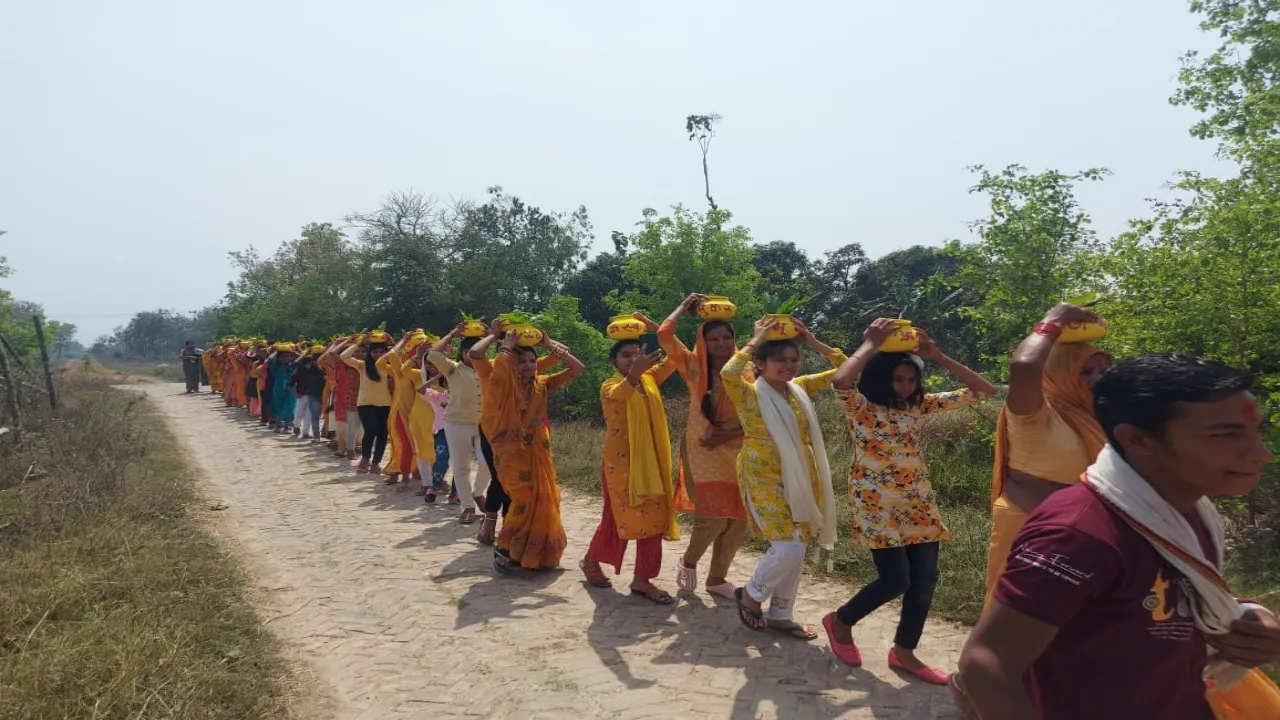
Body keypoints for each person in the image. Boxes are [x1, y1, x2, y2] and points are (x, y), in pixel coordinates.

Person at [956, 354, 1280, 719]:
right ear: (1137, 439)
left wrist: (1247, 617)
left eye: (1254, 431)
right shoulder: (1077, 534)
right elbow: (987, 663)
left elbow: (1164, 596)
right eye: (1224, 435)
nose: (1261, 453)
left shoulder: (1185, 512)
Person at [822, 318, 996, 683]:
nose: (904, 386)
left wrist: (938, 356)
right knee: (895, 579)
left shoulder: (918, 406)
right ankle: (840, 620)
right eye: (896, 379)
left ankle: (904, 651)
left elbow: (984, 390)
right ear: (879, 378)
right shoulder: (861, 407)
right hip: (876, 503)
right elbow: (841, 380)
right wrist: (870, 343)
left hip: (917, 501)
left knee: (925, 578)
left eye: (910, 379)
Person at [722, 316, 844, 639]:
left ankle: (781, 614)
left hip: (800, 475)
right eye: (780, 360)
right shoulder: (747, 394)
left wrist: (814, 342)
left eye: (794, 359)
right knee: (788, 546)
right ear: (760, 364)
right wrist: (756, 338)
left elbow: (847, 371)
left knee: (798, 546)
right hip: (762, 475)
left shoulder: (800, 389)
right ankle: (751, 594)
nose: (789, 366)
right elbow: (728, 373)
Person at [984, 303, 1111, 603]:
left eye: (1104, 370)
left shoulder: (1100, 415)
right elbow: (1024, 368)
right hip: (1030, 526)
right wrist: (1053, 321)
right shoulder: (1034, 413)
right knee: (1016, 617)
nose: (1099, 378)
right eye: (1086, 371)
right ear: (1057, 372)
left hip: (1085, 532)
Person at [470, 322, 583, 573]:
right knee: (520, 496)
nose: (530, 365)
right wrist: (497, 338)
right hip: (505, 443)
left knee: (542, 497)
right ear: (510, 362)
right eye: (522, 362)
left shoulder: (541, 382)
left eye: (533, 361)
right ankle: (504, 544)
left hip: (536, 445)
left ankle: (527, 551)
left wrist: (547, 343)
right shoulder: (498, 377)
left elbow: (576, 368)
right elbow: (475, 354)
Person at [581, 315, 680, 604]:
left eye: (638, 354)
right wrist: (635, 372)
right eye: (626, 355)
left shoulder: (651, 379)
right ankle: (591, 560)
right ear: (614, 361)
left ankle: (642, 580)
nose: (633, 359)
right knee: (617, 519)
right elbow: (621, 393)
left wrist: (656, 327)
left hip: (652, 463)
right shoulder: (609, 386)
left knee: (655, 521)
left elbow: (676, 355)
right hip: (621, 467)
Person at [658, 293, 750, 600]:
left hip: (740, 449)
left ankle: (717, 579)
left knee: (737, 520)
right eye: (714, 339)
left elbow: (759, 413)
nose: (721, 343)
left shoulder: (748, 370)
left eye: (727, 337)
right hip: (702, 451)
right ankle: (689, 561)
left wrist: (730, 434)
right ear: (703, 342)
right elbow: (664, 335)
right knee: (712, 517)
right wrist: (684, 306)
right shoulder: (693, 366)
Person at [339, 333, 393, 473]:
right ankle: (365, 459)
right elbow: (344, 356)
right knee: (370, 430)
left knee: (382, 433)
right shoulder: (362, 365)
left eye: (381, 352)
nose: (378, 354)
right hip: (365, 403)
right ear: (370, 353)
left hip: (385, 403)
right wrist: (359, 343)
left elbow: (400, 355)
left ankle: (376, 463)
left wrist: (392, 343)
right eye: (375, 352)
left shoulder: (388, 366)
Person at [416, 347, 455, 504]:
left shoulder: (465, 397)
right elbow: (420, 390)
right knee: (441, 460)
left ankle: (455, 493)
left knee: (460, 464)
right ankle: (434, 487)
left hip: (460, 431)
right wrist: (437, 376)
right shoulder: (438, 396)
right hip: (442, 432)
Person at [320, 338, 362, 460]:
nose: (359, 354)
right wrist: (346, 341)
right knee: (342, 426)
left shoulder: (365, 365)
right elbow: (331, 353)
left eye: (363, 351)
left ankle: (352, 448)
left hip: (360, 398)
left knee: (356, 426)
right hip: (342, 398)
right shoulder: (341, 365)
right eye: (356, 351)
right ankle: (343, 449)